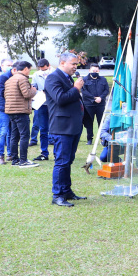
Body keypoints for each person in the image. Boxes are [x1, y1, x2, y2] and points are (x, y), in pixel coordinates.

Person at [45, 52, 88, 207]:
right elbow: (60, 99)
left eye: (76, 64)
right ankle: (57, 195)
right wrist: (76, 88)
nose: (75, 67)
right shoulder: (52, 78)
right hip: (62, 127)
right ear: (62, 63)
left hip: (73, 126)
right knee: (62, 162)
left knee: (68, 160)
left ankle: (66, 191)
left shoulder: (67, 77)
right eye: (73, 64)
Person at [5, 61, 39, 168]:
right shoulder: (23, 78)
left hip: (11, 111)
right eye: (29, 69)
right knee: (24, 135)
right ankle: (23, 160)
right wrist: (33, 90)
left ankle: (15, 159)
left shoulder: (10, 79)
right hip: (21, 111)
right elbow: (27, 94)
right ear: (25, 69)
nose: (29, 72)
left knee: (14, 136)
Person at [81, 63, 110, 145]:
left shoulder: (103, 79)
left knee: (101, 122)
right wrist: (93, 98)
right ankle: (89, 139)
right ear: (89, 70)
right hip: (89, 104)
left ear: (99, 71)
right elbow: (84, 91)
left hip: (100, 104)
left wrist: (100, 97)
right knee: (89, 122)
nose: (95, 72)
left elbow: (106, 90)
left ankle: (102, 139)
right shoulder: (84, 79)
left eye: (96, 71)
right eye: (93, 70)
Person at [29, 58, 51, 160]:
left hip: (53, 104)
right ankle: (44, 152)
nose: (42, 70)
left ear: (48, 65)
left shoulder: (54, 73)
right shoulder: (36, 74)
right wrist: (35, 90)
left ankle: (57, 152)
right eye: (40, 69)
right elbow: (34, 86)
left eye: (44, 68)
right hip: (41, 103)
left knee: (55, 129)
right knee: (43, 129)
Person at [0, 60, 15, 164]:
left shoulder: (13, 77)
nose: (10, 67)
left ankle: (10, 154)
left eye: (12, 65)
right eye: (8, 65)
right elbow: (2, 93)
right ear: (2, 66)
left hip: (12, 107)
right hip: (2, 108)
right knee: (2, 132)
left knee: (11, 132)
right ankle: (0, 156)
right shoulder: (2, 77)